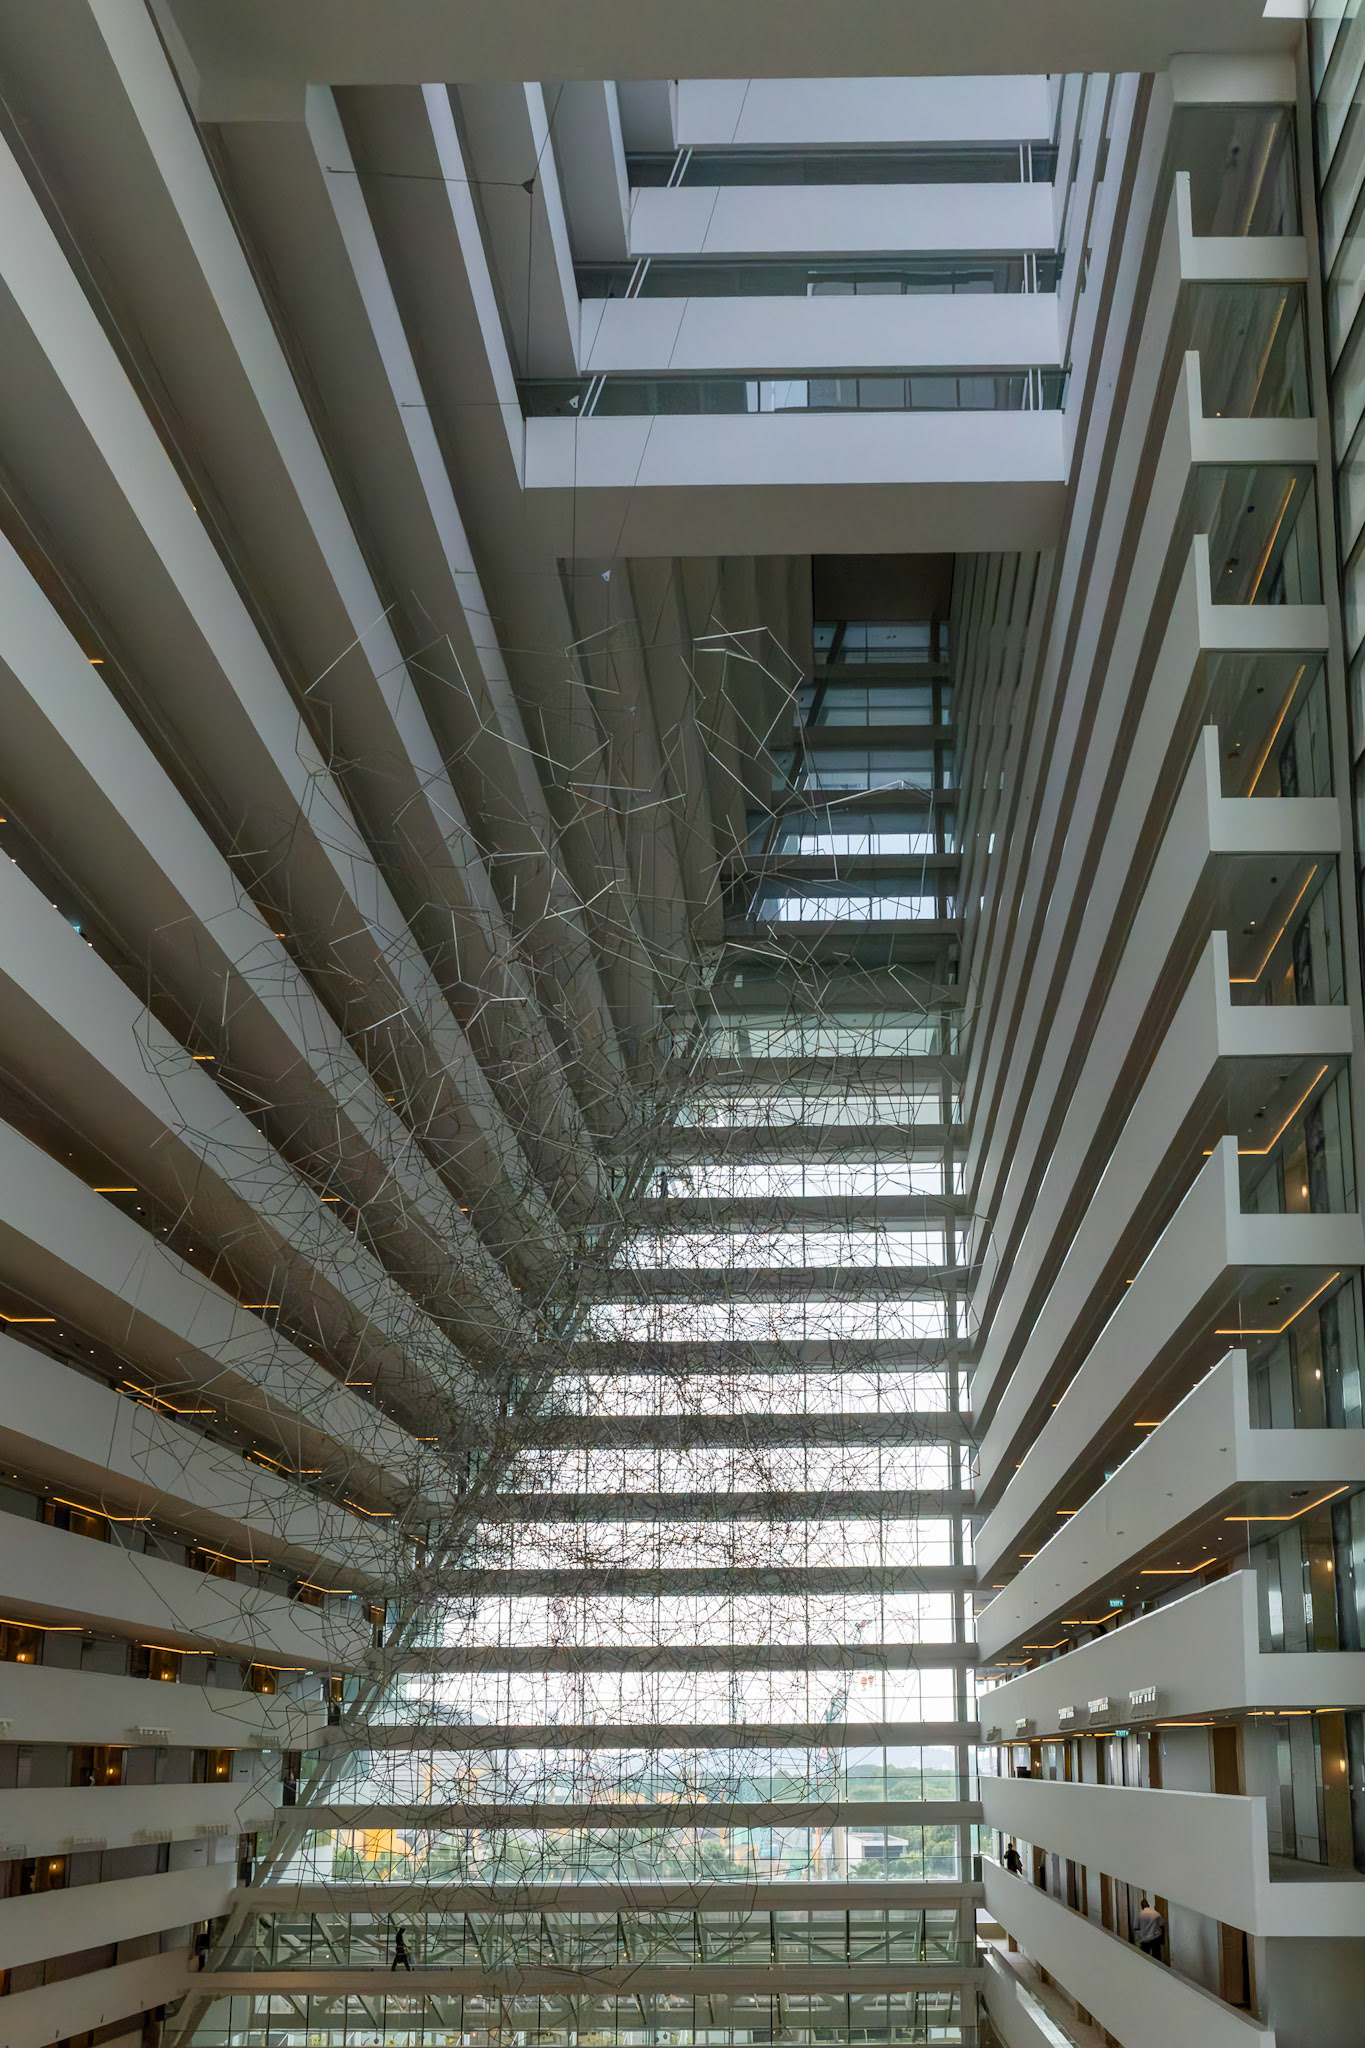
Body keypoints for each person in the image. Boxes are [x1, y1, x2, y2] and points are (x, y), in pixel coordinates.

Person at [1135, 1895, 1165, 1960]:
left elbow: (1136, 1928)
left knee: (1145, 1958)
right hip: (1156, 1938)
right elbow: (1162, 1925)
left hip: (1145, 1939)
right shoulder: (1156, 1913)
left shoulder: (1139, 1914)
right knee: (1157, 1957)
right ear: (1148, 1905)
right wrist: (1162, 1939)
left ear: (1142, 1906)